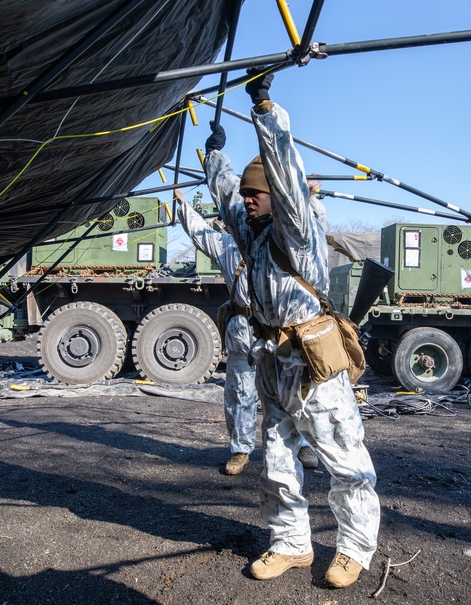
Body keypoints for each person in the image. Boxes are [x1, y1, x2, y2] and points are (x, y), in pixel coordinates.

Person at [202, 70, 380, 588]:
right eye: (249, 194)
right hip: (271, 364)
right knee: (278, 460)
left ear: (278, 196)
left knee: (344, 460)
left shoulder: (298, 233)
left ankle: (353, 548)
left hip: (313, 364)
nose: (249, 199)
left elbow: (282, 168)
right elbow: (227, 200)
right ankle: (290, 544)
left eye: (258, 193)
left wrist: (263, 107)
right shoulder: (253, 234)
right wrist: (217, 156)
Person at [172, 188, 319, 476]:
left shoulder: (277, 240)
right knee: (240, 394)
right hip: (243, 333)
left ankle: (301, 444)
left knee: (290, 392)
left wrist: (308, 199)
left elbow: (307, 232)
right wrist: (182, 205)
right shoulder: (226, 246)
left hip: (279, 333)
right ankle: (241, 450)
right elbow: (199, 231)